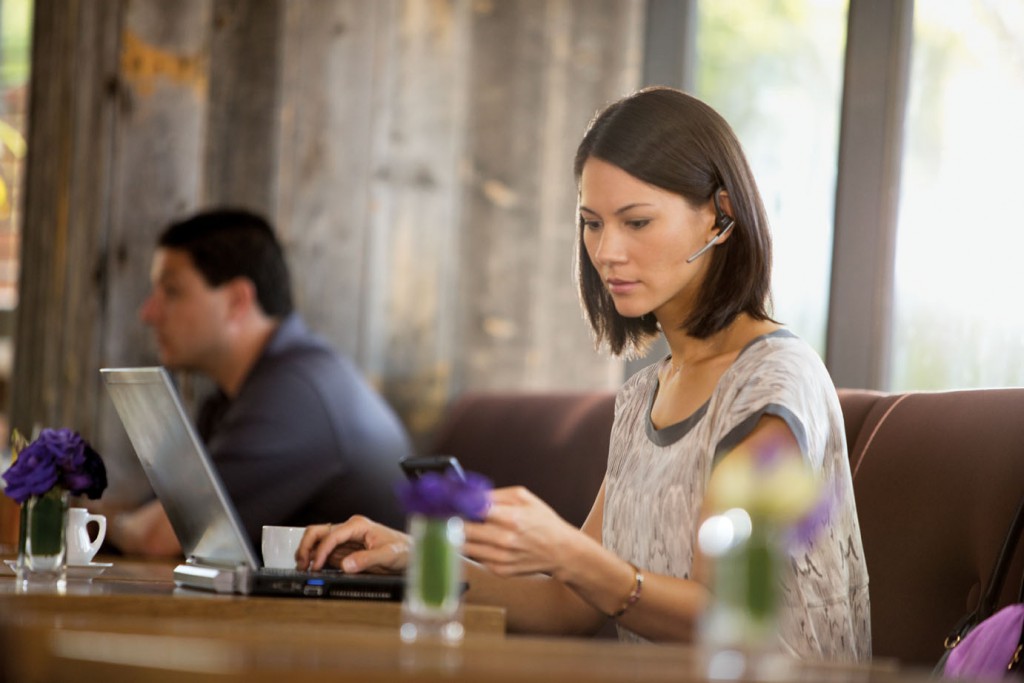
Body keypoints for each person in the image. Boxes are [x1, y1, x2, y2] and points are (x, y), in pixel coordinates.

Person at [296, 87, 871, 661]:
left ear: (721, 216)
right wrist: (414, 555)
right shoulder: (645, 392)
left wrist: (569, 553)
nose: (607, 251)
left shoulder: (772, 382)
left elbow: (729, 620)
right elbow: (567, 606)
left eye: (637, 221)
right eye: (592, 224)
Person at [105, 208, 412, 556]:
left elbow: (161, 537)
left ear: (238, 300)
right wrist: (123, 521)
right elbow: (156, 511)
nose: (148, 313)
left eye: (172, 292)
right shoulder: (237, 394)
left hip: (356, 610)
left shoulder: (296, 396)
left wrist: (94, 523)